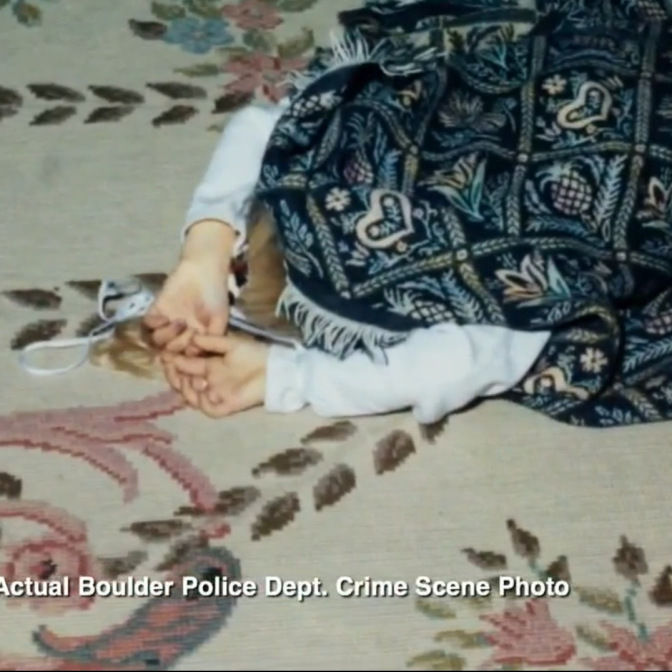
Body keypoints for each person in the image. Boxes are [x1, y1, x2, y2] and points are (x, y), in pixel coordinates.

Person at [91, 98, 550, 422]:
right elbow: (263, 126)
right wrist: (207, 247)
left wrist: (286, 377)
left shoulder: (500, 296)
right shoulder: (515, 274)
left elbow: (457, 364)